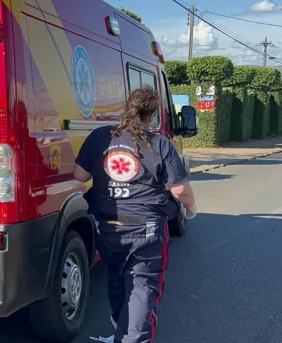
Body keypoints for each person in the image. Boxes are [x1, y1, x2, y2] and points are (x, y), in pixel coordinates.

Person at [73, 86, 196, 343]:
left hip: (108, 227)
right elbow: (180, 189)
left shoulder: (100, 137)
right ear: (151, 116)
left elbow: (80, 175)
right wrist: (191, 209)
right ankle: (132, 339)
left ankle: (120, 330)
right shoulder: (159, 144)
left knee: (117, 277)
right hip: (147, 230)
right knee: (142, 287)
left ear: (126, 109)